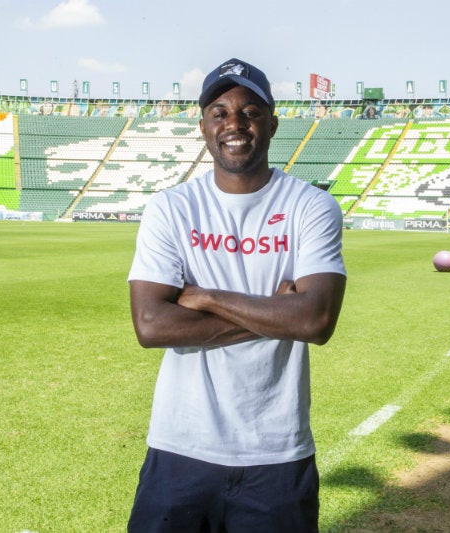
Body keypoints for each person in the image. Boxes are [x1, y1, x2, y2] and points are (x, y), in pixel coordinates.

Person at [126, 58, 347, 533]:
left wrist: (203, 297)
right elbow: (151, 326)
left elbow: (315, 322)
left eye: (250, 111)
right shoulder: (171, 208)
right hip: (180, 448)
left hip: (277, 453)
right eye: (220, 112)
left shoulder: (310, 206)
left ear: (271, 122)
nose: (235, 124)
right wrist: (277, 310)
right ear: (204, 125)